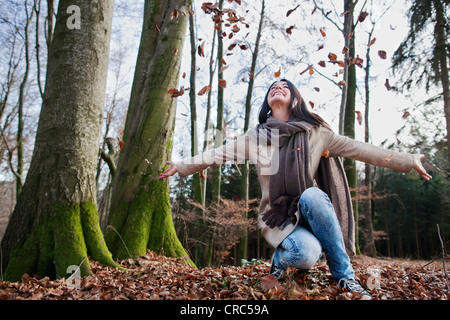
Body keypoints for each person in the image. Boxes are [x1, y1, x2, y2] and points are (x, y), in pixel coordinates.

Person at [159, 79, 432, 298]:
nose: (278, 88)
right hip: (278, 217)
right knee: (304, 254)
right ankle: (280, 262)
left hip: (311, 211)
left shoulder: (316, 133)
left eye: (285, 87)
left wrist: (408, 160)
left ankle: (345, 278)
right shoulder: (255, 138)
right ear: (268, 101)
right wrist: (182, 165)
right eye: (273, 87)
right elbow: (216, 154)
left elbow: (359, 149)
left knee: (312, 194)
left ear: (296, 99)